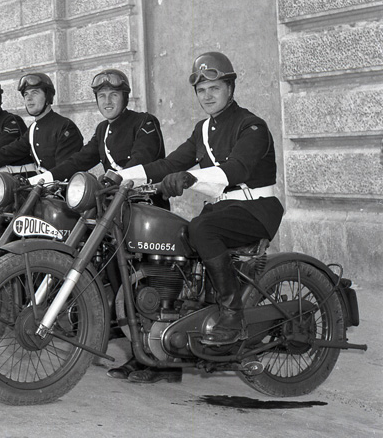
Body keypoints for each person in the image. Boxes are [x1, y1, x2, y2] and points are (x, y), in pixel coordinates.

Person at [120, 51, 284, 357]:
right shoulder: (203, 130)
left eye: (214, 88)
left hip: (256, 209)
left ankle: (232, 314)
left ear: (230, 89)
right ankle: (183, 312)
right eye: (201, 90)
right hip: (222, 209)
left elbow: (236, 170)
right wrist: (119, 177)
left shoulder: (252, 126)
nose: (207, 96)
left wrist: (190, 178)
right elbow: (168, 164)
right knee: (178, 235)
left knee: (202, 228)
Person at [29, 69, 165, 185]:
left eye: (114, 95)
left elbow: (141, 159)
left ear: (125, 98)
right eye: (102, 96)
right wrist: (40, 180)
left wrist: (110, 181)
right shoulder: (102, 129)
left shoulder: (144, 122)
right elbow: (78, 161)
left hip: (144, 201)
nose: (107, 101)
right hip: (114, 201)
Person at [0, 73, 83, 173]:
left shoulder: (64, 127)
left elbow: (66, 170)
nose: (29, 98)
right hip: (40, 188)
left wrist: (38, 181)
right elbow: (8, 151)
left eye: (34, 93)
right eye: (26, 94)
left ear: (48, 96)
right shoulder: (33, 129)